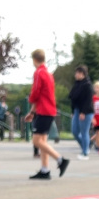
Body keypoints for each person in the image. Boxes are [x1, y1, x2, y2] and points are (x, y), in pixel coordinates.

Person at [25, 49, 70, 180]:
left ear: (34, 60)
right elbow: (42, 95)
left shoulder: (39, 73)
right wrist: (32, 112)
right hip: (48, 109)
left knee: (36, 140)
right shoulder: (49, 74)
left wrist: (30, 99)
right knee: (43, 141)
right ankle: (45, 170)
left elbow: (36, 92)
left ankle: (60, 160)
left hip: (44, 110)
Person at [69, 65, 94, 160]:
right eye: (76, 73)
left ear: (83, 74)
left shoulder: (87, 85)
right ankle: (86, 146)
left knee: (84, 132)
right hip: (76, 110)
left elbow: (88, 100)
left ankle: (85, 153)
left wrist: (83, 112)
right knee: (75, 131)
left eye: (79, 73)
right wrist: (73, 111)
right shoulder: (76, 84)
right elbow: (73, 98)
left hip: (86, 111)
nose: (76, 75)